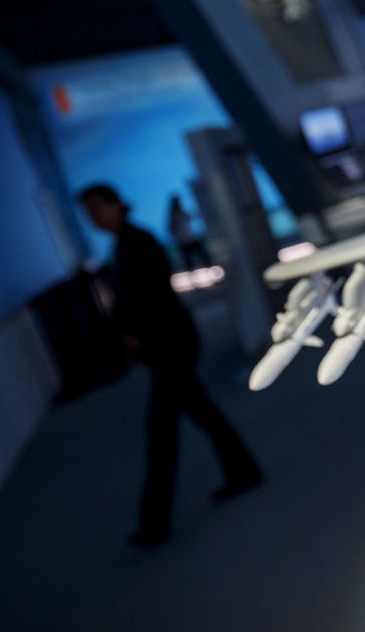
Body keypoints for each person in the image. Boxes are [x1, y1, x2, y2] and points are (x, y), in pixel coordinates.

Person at [78, 184, 262, 548]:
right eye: (88, 211)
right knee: (194, 419)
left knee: (164, 435)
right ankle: (241, 473)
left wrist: (135, 333)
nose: (94, 216)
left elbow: (152, 297)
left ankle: (156, 523)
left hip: (167, 347)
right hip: (165, 347)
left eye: (97, 207)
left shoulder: (137, 243)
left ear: (117, 204)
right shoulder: (127, 244)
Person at [167, 194, 211, 270]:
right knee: (189, 260)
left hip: (189, 238)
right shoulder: (175, 215)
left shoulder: (180, 212)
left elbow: (192, 216)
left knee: (200, 254)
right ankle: (196, 270)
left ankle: (207, 266)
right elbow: (172, 229)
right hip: (184, 241)